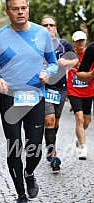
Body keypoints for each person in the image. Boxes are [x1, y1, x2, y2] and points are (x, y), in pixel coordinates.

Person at [0, 0, 58, 203]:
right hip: (10, 98)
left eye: (23, 8)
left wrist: (47, 73)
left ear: (28, 9)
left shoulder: (42, 34)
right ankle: (21, 195)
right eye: (15, 9)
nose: (20, 12)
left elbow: (52, 63)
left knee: (35, 149)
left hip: (35, 96)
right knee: (14, 148)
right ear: (8, 11)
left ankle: (30, 173)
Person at [41, 16, 78, 171]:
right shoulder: (37, 44)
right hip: (44, 87)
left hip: (61, 88)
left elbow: (75, 59)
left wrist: (67, 63)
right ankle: (52, 152)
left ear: (56, 27)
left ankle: (51, 143)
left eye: (51, 25)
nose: (48, 27)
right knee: (49, 120)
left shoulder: (64, 44)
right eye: (45, 25)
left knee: (55, 121)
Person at [67, 31, 94, 160]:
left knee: (87, 120)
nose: (81, 43)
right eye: (78, 41)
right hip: (73, 91)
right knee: (79, 118)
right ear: (74, 42)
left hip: (88, 91)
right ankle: (84, 148)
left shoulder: (90, 53)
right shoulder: (69, 55)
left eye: (82, 40)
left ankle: (79, 136)